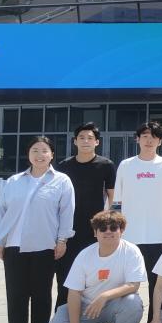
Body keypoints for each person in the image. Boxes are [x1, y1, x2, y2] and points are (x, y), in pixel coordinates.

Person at [0, 136, 76, 323]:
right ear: (28, 155)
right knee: (15, 293)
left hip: (44, 245)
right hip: (14, 246)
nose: (39, 155)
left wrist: (62, 240)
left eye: (44, 150)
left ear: (52, 155)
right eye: (35, 150)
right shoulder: (14, 181)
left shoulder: (62, 181)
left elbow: (66, 213)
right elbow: (1, 211)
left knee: (41, 293)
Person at [46, 210, 146, 323]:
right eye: (103, 228)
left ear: (122, 231)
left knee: (133, 302)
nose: (108, 232)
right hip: (87, 308)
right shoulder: (84, 255)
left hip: (116, 305)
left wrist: (104, 296)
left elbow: (133, 285)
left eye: (114, 228)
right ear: (95, 233)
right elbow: (74, 292)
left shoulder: (131, 251)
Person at [113, 121, 162, 323]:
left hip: (156, 233)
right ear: (137, 139)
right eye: (144, 136)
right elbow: (120, 198)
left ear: (160, 141)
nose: (149, 140)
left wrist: (151, 206)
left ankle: (155, 322)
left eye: (153, 137)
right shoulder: (126, 165)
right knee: (125, 283)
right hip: (129, 235)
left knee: (157, 283)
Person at [55, 122, 115, 309]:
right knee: (65, 274)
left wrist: (106, 224)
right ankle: (63, 315)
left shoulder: (106, 165)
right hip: (68, 228)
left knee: (95, 275)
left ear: (97, 142)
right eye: (81, 138)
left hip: (94, 230)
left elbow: (112, 196)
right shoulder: (64, 166)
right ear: (75, 141)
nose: (85, 141)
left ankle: (94, 315)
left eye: (90, 138)